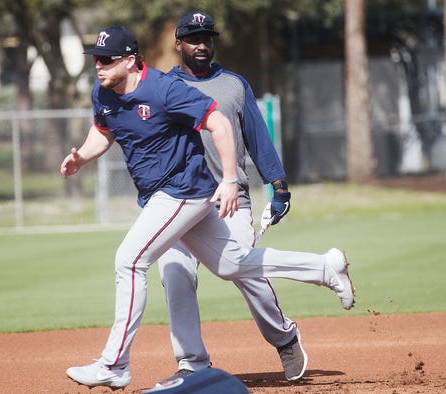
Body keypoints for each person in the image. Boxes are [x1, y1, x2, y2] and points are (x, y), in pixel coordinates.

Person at [62, 25, 354, 390]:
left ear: (131, 60)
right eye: (96, 59)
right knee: (233, 263)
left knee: (130, 260)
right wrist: (82, 157)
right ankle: (325, 267)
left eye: (106, 59)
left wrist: (230, 178)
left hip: (183, 190)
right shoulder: (103, 92)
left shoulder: (164, 88)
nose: (99, 65)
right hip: (162, 195)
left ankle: (114, 364)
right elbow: (102, 131)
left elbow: (218, 123)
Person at [154, 10, 324, 385]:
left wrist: (278, 186)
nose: (202, 44)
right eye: (194, 38)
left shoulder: (233, 84)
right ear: (178, 44)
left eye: (208, 37)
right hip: (181, 201)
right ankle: (191, 363)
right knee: (175, 273)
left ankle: (284, 337)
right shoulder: (164, 87)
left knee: (245, 268)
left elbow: (257, 137)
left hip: (230, 201)